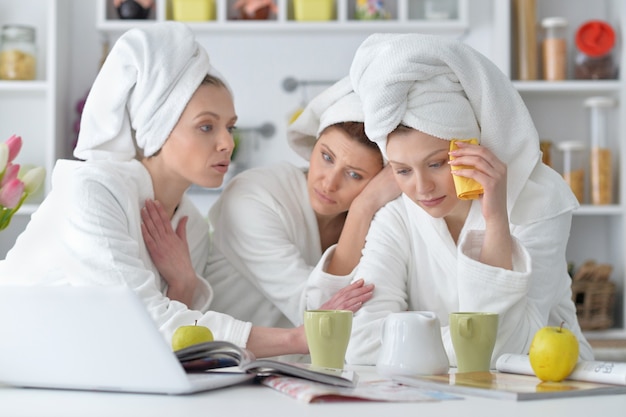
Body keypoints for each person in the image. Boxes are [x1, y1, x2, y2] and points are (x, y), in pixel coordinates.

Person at [0, 22, 364, 359]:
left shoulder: (188, 223)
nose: (226, 143)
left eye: (230, 128)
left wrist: (184, 283)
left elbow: (175, 343)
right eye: (206, 127)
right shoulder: (92, 191)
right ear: (157, 126)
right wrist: (295, 339)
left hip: (91, 371)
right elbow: (140, 324)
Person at [306, 33, 594, 366]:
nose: (422, 188)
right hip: (440, 393)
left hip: (548, 389)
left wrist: (496, 219)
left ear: (471, 147)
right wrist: (463, 343)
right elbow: (358, 341)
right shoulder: (397, 216)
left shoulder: (539, 203)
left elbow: (507, 344)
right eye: (402, 171)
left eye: (436, 163)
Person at [142, 77, 401, 329]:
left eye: (354, 174)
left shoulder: (386, 217)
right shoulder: (253, 196)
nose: (329, 183)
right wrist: (362, 208)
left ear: (380, 180)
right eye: (326, 157)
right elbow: (320, 315)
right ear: (313, 145)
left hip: (311, 367)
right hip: (229, 362)